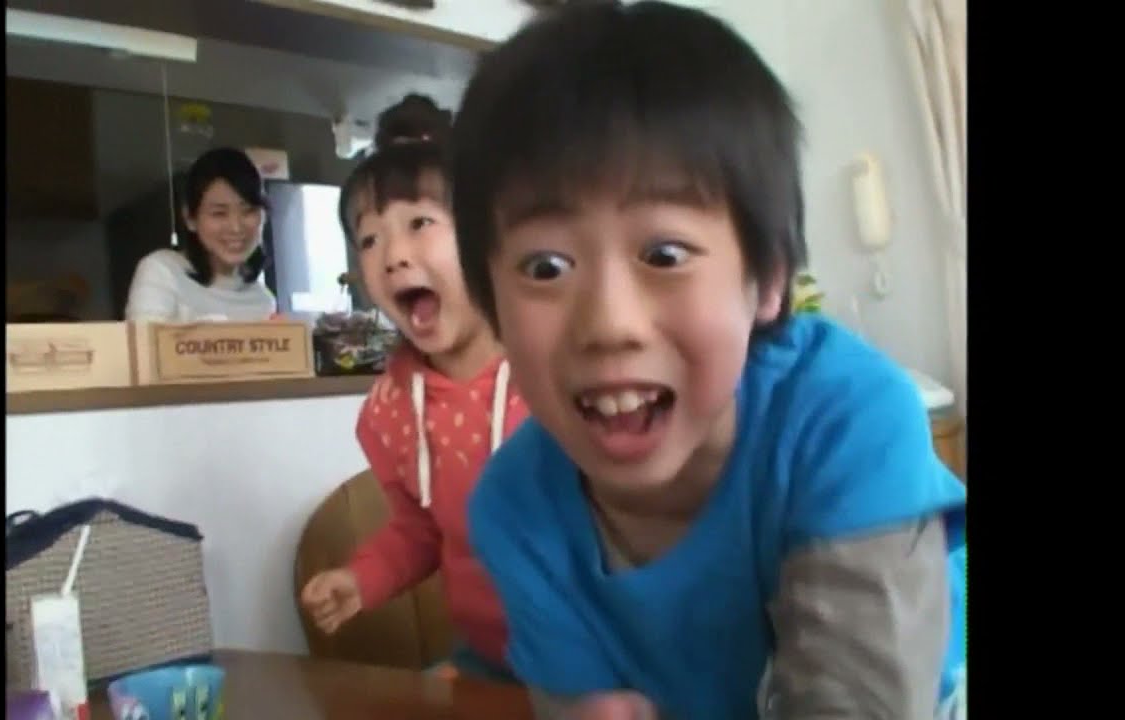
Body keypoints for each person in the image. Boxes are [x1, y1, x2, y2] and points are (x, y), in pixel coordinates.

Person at [451, 3, 967, 719]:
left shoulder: (846, 419)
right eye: (545, 267)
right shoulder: (514, 508)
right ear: (490, 302)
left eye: (664, 254)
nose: (608, 324)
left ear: (769, 280)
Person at [298, 95, 528, 683]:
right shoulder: (391, 412)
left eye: (419, 223)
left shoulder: (553, 369)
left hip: (601, 659)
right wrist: (361, 579)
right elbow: (420, 532)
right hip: (487, 658)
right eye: (369, 239)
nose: (394, 256)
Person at [124, 147, 277, 322]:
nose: (235, 227)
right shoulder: (162, 272)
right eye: (219, 213)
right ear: (190, 218)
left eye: (248, 211)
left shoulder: (263, 301)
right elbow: (145, 339)